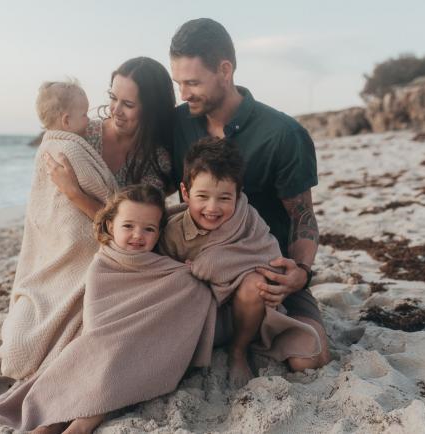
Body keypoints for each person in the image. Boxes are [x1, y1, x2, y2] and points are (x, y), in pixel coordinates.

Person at [169, 18, 331, 370]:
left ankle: (249, 335)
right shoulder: (177, 124)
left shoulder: (283, 134)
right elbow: (146, 191)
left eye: (192, 82)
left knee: (309, 358)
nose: (183, 93)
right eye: (178, 83)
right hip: (196, 272)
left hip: (265, 274)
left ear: (224, 70)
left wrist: (300, 271)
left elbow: (302, 217)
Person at [0, 185, 214, 433]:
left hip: (139, 347)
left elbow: (190, 296)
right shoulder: (102, 265)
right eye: (128, 226)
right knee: (91, 358)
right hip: (102, 344)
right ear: (110, 226)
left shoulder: (168, 270)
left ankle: (85, 422)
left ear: (159, 233)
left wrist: (196, 273)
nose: (138, 235)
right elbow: (97, 325)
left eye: (148, 229)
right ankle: (51, 422)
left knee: (119, 356)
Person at [159, 137, 321, 387]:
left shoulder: (248, 220)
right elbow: (162, 276)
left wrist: (210, 265)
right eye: (202, 196)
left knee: (256, 284)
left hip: (246, 312)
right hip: (200, 311)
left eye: (224, 198)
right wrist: (193, 276)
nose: (212, 208)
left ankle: (238, 351)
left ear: (238, 194)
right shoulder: (173, 233)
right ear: (185, 193)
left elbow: (267, 259)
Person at [0, 79, 118, 381]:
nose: (89, 121)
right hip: (74, 241)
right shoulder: (70, 150)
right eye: (85, 114)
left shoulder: (46, 147)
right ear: (66, 121)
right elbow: (104, 192)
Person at [43, 56, 176, 217]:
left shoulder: (156, 160)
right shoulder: (81, 133)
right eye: (113, 98)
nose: (116, 110)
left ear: (152, 111)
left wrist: (74, 194)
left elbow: (135, 223)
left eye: (128, 104)